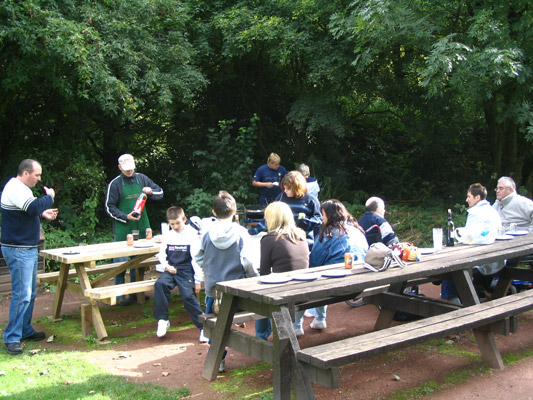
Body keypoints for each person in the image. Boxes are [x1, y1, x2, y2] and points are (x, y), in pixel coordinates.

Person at [194, 190, 258, 373]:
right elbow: (248, 261)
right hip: (237, 290)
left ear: (214, 212)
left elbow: (198, 256)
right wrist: (254, 278)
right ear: (235, 211)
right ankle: (260, 344)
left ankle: (219, 359)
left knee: (215, 324)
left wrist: (208, 267)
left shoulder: (206, 233)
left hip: (213, 290)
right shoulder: (241, 233)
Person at [0, 159, 58, 355]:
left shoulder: (22, 189)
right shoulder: (15, 187)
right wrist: (49, 197)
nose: (39, 178)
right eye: (37, 175)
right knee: (22, 294)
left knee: (30, 293)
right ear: (26, 173)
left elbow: (28, 211)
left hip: (26, 247)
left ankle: (24, 329)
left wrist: (43, 213)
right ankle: (12, 338)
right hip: (18, 249)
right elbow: (32, 207)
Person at [294, 199, 368, 336]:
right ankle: (319, 319)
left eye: (323, 214)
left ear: (329, 215)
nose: (322, 218)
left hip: (337, 286)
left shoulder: (328, 234)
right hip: (359, 283)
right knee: (327, 274)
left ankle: (296, 326)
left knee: (304, 282)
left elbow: (314, 264)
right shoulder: (357, 230)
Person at [104, 154, 164, 306]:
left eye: (131, 169)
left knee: (139, 261)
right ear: (119, 168)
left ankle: (136, 293)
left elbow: (160, 193)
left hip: (142, 226)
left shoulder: (142, 178)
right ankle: (119, 294)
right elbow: (109, 207)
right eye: (126, 169)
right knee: (120, 263)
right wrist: (125, 216)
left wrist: (150, 191)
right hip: (124, 228)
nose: (129, 172)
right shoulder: (115, 184)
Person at [256, 202, 310, 339]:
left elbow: (264, 273)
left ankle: (262, 336)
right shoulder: (301, 235)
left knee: (259, 294)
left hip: (284, 292)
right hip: (303, 288)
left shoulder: (269, 239)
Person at [153, 206, 208, 343]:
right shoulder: (169, 235)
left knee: (188, 296)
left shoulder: (192, 235)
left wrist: (197, 281)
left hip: (186, 270)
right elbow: (161, 254)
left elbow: (196, 260)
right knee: (160, 285)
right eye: (172, 224)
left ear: (184, 219)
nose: (175, 226)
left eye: (178, 223)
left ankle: (204, 328)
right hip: (171, 268)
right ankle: (163, 320)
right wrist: (166, 266)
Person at [441, 183, 502, 303]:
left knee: (451, 265)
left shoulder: (476, 213)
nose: (466, 199)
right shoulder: (492, 210)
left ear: (477, 197)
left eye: (469, 196)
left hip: (482, 257)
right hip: (496, 257)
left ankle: (451, 298)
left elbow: (469, 238)